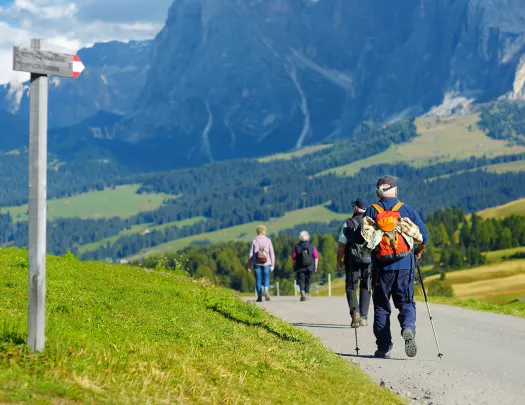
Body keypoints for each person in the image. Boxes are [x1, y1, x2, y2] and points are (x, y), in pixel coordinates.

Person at [360, 176, 428, 359]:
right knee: (406, 302)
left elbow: (363, 240)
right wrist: (418, 251)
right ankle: (408, 327)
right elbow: (424, 238)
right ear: (396, 191)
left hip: (381, 268)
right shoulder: (407, 210)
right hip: (405, 266)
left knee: (382, 306)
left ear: (377, 193)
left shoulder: (371, 211)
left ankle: (383, 347)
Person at [336, 198, 371, 328]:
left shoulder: (349, 223)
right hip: (368, 259)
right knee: (366, 285)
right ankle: (364, 317)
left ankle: (355, 312)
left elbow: (341, 245)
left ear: (356, 208)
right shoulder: (370, 222)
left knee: (351, 286)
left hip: (352, 260)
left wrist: (339, 260)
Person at [248, 224, 275, 302]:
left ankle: (259, 297)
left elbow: (250, 254)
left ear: (257, 231)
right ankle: (266, 289)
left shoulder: (254, 240)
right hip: (267, 262)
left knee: (258, 280)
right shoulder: (268, 240)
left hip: (256, 263)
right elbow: (272, 253)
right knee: (266, 277)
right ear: (264, 231)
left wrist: (249, 265)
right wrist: (272, 265)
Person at [292, 231, 319, 301]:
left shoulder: (297, 246)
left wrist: (293, 266)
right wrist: (315, 266)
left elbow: (293, 258)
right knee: (308, 280)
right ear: (308, 237)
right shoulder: (311, 246)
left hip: (300, 267)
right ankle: (307, 294)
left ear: (300, 238)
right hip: (309, 267)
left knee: (301, 280)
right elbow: (316, 256)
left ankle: (302, 291)